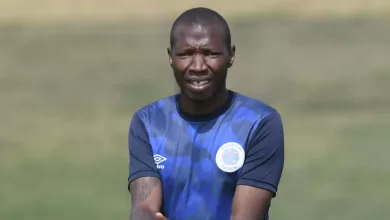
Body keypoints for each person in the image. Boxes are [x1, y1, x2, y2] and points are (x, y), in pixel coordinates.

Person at [127, 7, 284, 220]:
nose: (198, 66)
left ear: (231, 55)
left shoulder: (259, 122)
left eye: (210, 53)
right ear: (170, 57)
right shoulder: (148, 122)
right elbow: (143, 208)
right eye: (186, 54)